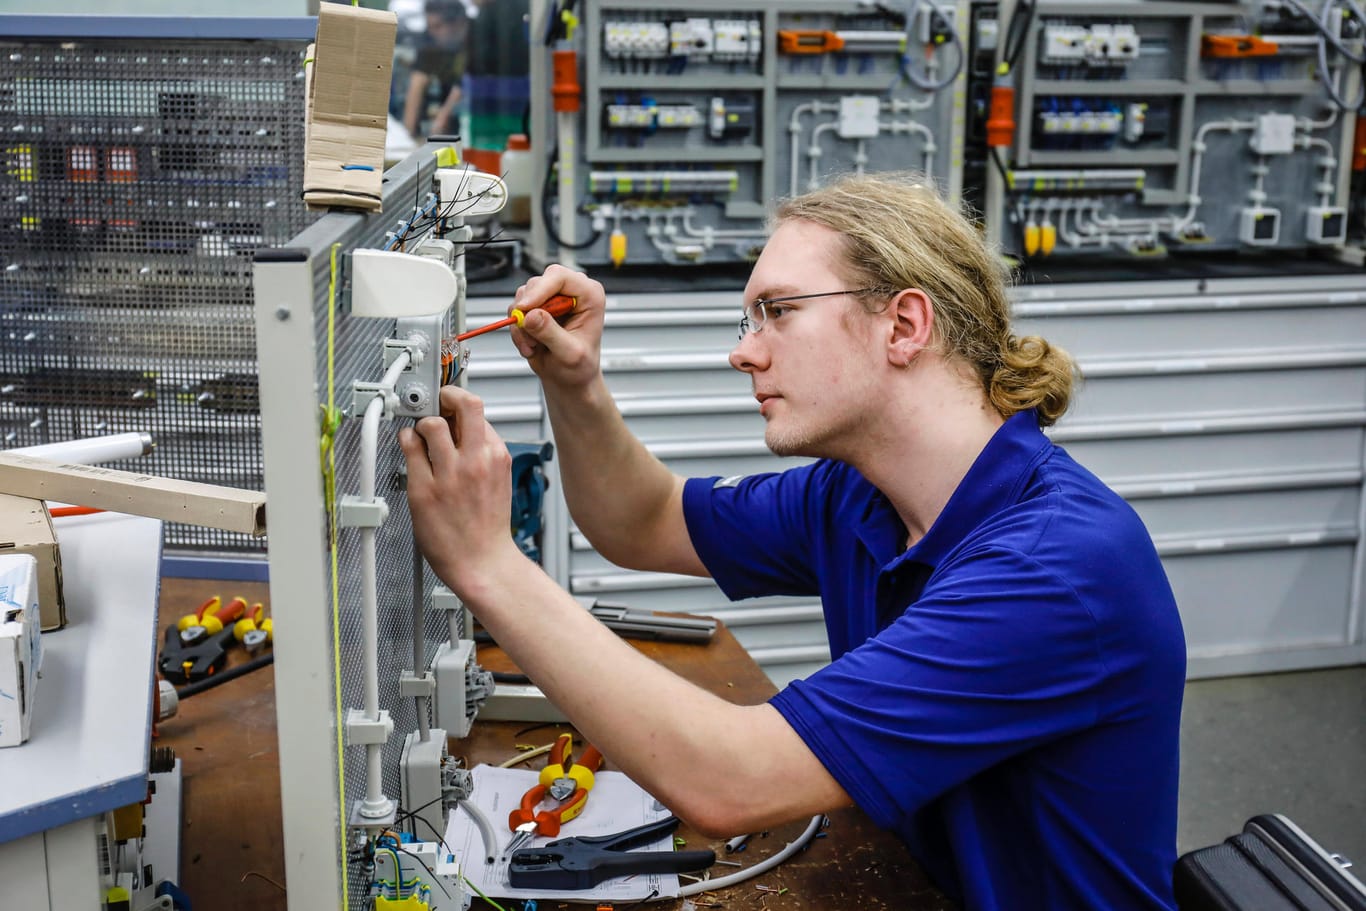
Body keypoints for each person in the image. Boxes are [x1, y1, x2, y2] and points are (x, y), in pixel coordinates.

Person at [398, 172, 1187, 911]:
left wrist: (489, 564)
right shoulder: (859, 492)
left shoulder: (1058, 568)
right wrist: (574, 386)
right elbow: (642, 522)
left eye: (779, 311)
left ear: (905, 325)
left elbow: (728, 781)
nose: (745, 348)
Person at [402, 0, 470, 139]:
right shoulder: (431, 41)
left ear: (457, 24)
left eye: (438, 26)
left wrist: (441, 118)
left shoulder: (478, 39)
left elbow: (464, 85)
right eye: (430, 27)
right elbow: (417, 83)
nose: (432, 32)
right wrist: (407, 136)